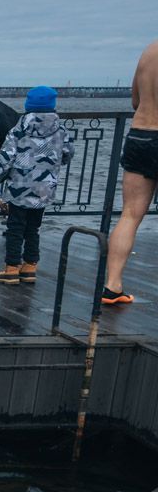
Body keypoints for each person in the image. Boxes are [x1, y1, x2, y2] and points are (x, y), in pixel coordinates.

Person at [0, 86, 73, 284]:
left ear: (28, 105)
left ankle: (11, 268)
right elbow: (67, 154)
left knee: (15, 227)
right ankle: (30, 266)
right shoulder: (61, 130)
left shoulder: (19, 130)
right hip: (45, 188)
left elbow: (5, 159)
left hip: (19, 188)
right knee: (34, 227)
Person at [103, 40, 158, 305]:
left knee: (130, 214)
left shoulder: (150, 51)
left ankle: (112, 286)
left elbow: (136, 100)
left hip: (141, 135)